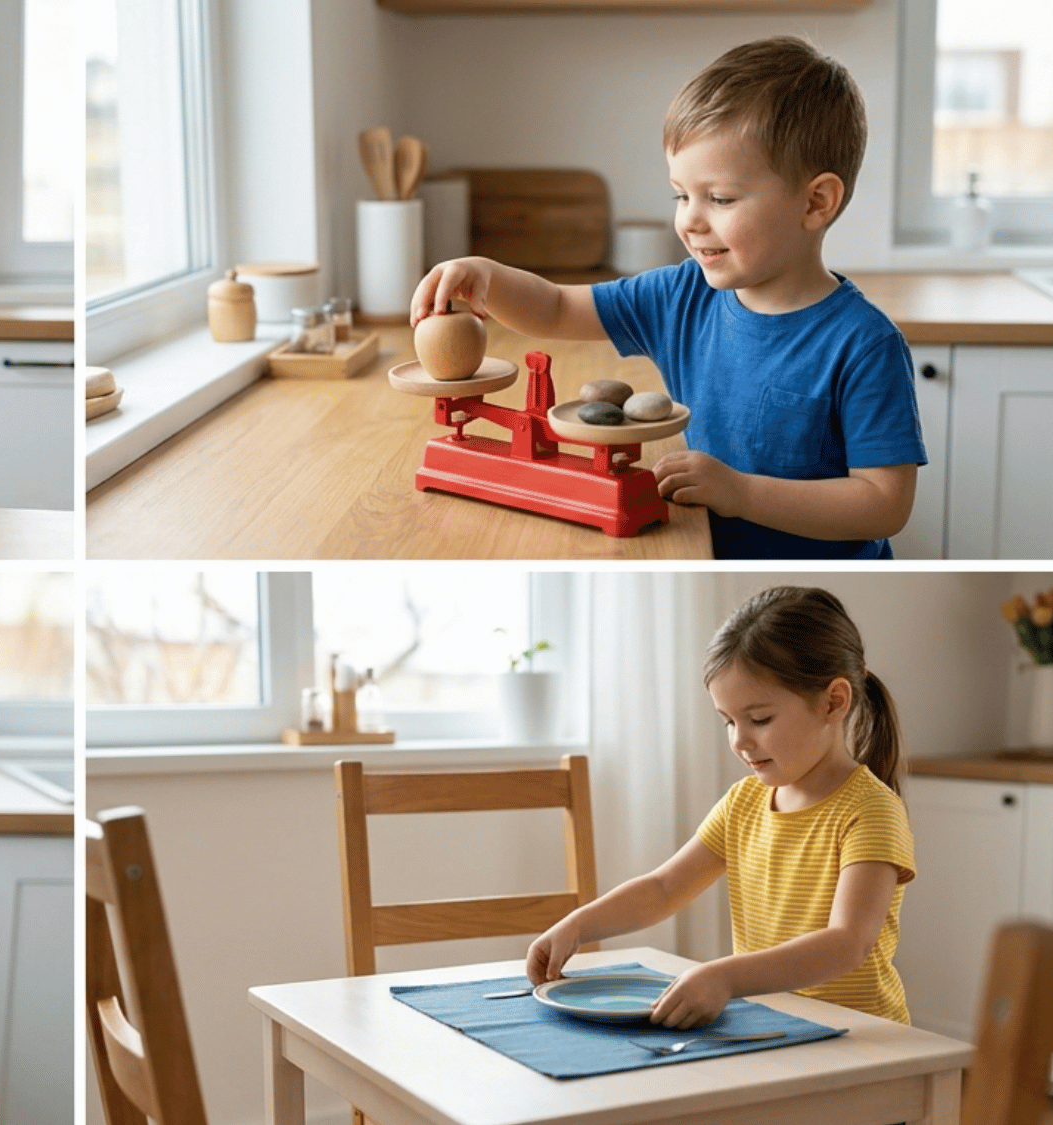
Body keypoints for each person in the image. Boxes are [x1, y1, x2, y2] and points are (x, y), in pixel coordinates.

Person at [411, 37, 926, 560]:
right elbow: (558, 308)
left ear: (816, 202)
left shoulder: (864, 345)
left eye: (719, 198)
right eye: (681, 195)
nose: (689, 221)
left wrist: (742, 493)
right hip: (706, 554)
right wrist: (486, 275)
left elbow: (884, 504)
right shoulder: (682, 295)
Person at [526, 586, 914, 1029]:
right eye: (729, 721)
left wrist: (725, 977)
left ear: (834, 701)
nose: (739, 741)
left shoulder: (871, 810)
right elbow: (664, 889)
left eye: (760, 719)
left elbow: (848, 943)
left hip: (859, 1038)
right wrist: (577, 926)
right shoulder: (743, 803)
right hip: (774, 1027)